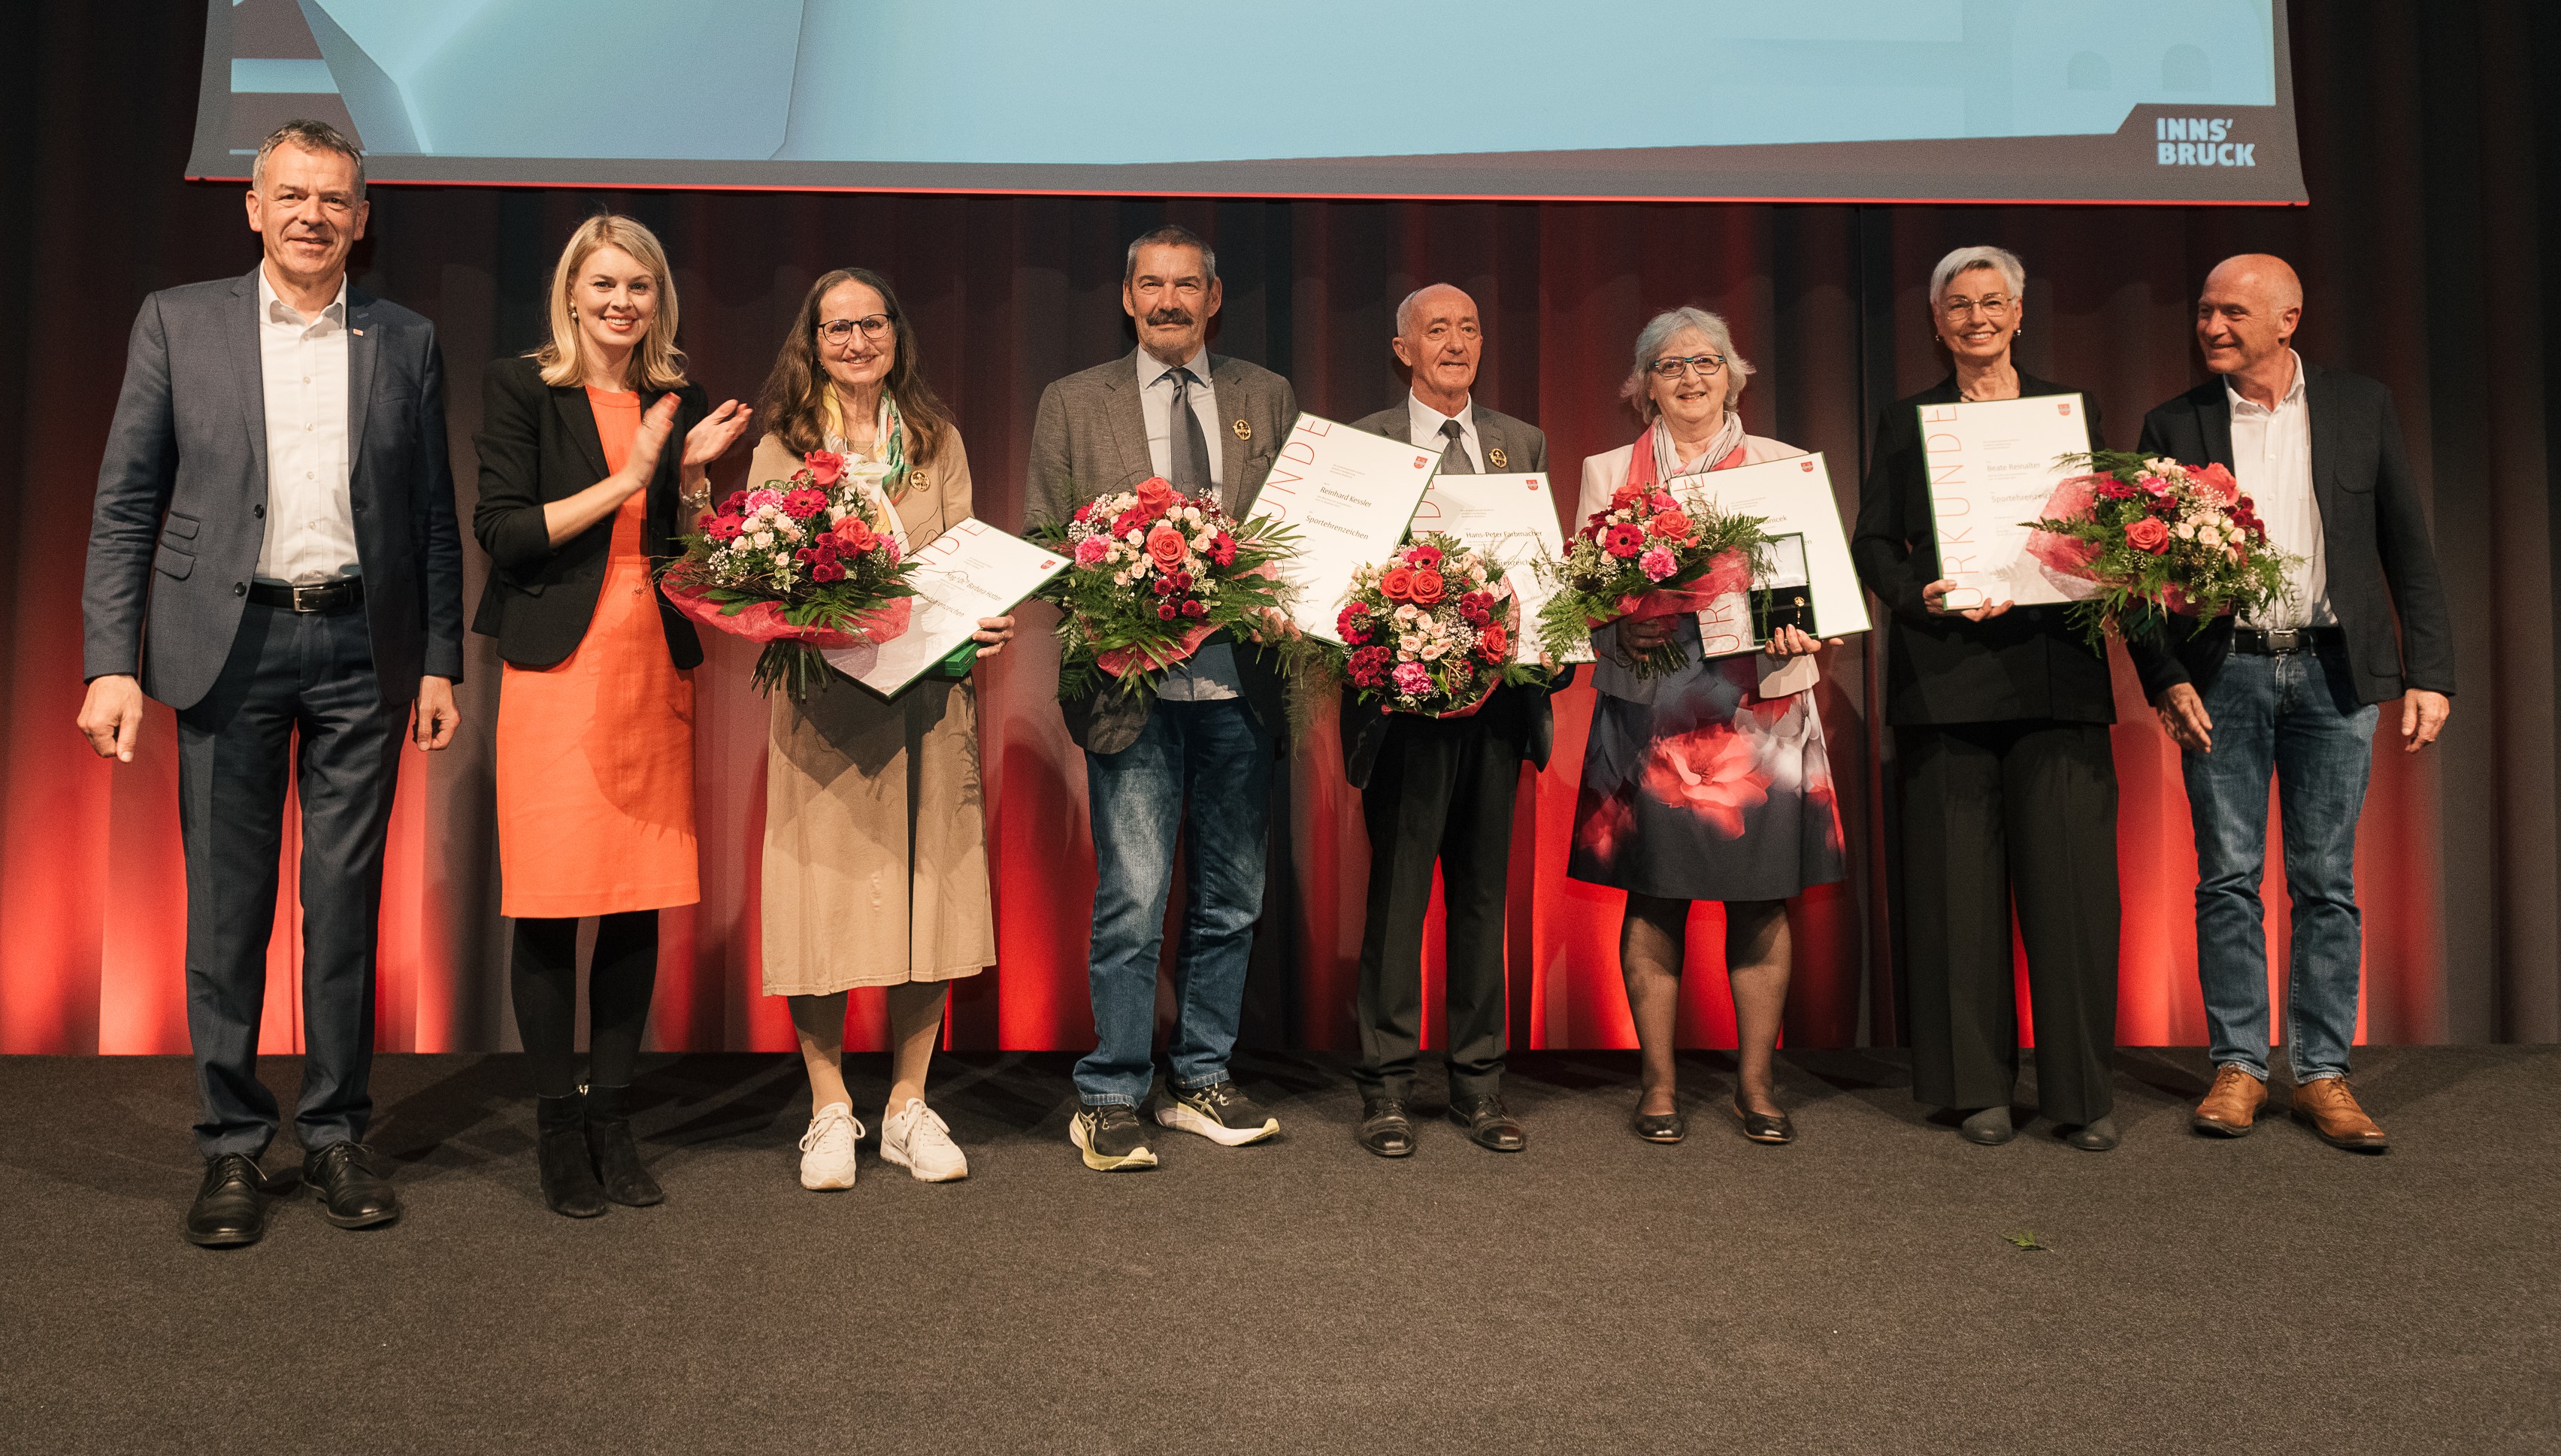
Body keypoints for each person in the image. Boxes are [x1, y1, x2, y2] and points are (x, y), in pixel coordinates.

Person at [77, 120, 464, 1246]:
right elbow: (125, 503)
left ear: (361, 218)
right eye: (291, 195)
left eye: (333, 199)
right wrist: (110, 661)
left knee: (343, 911)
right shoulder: (178, 321)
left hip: (361, 651)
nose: (311, 215)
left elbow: (433, 519)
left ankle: (336, 1134)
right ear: (253, 207)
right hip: (225, 648)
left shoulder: (406, 338)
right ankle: (233, 1145)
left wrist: (439, 660)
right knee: (226, 913)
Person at [2134, 253, 2454, 1152]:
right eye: (2204, 311)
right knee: (2226, 876)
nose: (2210, 326)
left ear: (2287, 319)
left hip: (2332, 672)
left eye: (2231, 312)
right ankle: (2237, 1065)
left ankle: (2320, 1073)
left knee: (2324, 880)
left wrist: (2429, 673)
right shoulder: (2174, 422)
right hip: (2222, 673)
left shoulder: (2358, 405)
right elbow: (2131, 569)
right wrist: (2164, 674)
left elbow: (2405, 545)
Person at [471, 214, 752, 1217]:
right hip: (557, 668)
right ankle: (557, 1124)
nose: (620, 303)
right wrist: (628, 477)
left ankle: (613, 1120)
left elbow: (691, 555)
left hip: (650, 662)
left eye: (638, 286)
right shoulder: (523, 386)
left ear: (657, 298)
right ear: (571, 294)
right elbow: (503, 531)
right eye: (603, 285)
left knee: (636, 899)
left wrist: (689, 480)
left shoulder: (679, 398)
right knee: (552, 902)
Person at [1025, 225, 1299, 1171]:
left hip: (1239, 685)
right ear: (1126, 296)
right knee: (1133, 899)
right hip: (1127, 690)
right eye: (1151, 284)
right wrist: (1117, 587)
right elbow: (1042, 537)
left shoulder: (1266, 395)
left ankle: (1201, 1076)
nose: (1168, 300)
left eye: (1186, 285)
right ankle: (1109, 1089)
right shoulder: (1072, 400)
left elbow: (1300, 531)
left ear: (1212, 300)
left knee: (1231, 898)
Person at [1851, 246, 2123, 1152]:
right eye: (1958, 305)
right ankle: (1975, 1088)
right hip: (1946, 676)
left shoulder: (2068, 411)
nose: (1976, 317)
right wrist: (1917, 590)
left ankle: (2079, 1093)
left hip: (2056, 674)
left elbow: (2107, 530)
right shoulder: (1905, 421)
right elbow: (1872, 543)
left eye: (1991, 301)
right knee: (1954, 896)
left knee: (2072, 894)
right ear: (1936, 323)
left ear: (2018, 313)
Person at [749, 267, 1015, 1189]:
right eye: (837, 328)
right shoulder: (784, 444)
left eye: (872, 324)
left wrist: (985, 615)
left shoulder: (937, 440)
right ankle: (829, 1106)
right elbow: (760, 570)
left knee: (926, 892)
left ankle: (906, 1104)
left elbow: (965, 554)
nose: (857, 341)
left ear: (896, 334)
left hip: (927, 700)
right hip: (823, 703)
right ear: (812, 343)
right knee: (818, 896)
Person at [1567, 307, 1844, 1146]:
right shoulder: (1606, 470)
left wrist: (1808, 627)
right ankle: (1657, 1084)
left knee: (1761, 893)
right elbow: (1579, 593)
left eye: (1706, 362)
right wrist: (1615, 628)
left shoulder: (1783, 466)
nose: (1689, 377)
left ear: (1733, 375)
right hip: (1649, 702)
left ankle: (1755, 1085)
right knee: (1654, 892)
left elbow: (1821, 591)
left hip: (1759, 703)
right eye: (1669, 364)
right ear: (1643, 385)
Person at [1340, 283, 1561, 1158]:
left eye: (1469, 327)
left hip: (1499, 709)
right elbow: (1338, 574)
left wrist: (1552, 644)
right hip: (1403, 712)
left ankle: (1478, 1085)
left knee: (1480, 898)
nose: (1456, 343)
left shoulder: (1519, 442)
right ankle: (1386, 1086)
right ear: (1403, 349)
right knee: (1398, 901)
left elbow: (1541, 567)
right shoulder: (1361, 442)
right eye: (1437, 329)